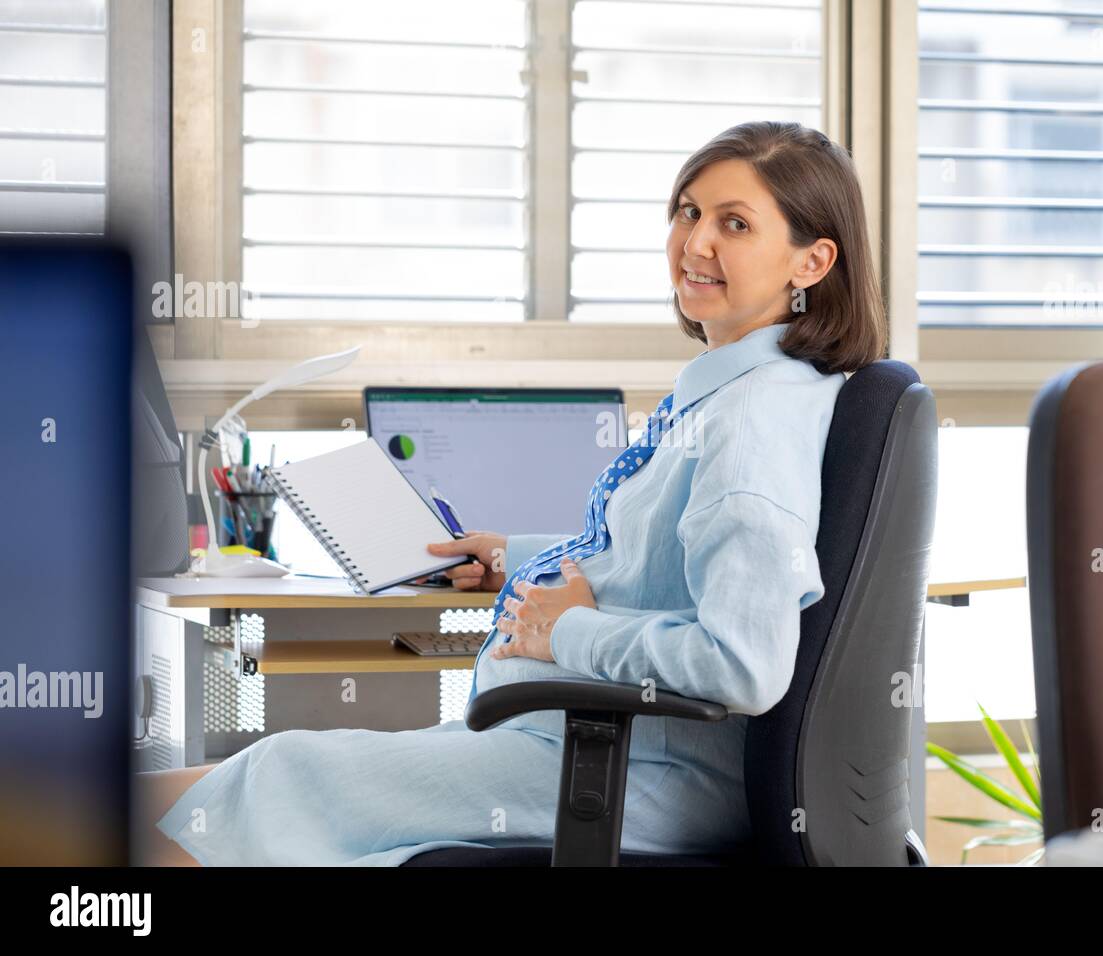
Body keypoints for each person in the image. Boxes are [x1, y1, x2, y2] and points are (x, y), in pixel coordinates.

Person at [138, 120, 887, 866]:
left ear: (812, 261)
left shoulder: (751, 422)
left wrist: (565, 632)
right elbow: (654, 563)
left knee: (276, 779)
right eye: (688, 212)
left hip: (645, 775)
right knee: (230, 786)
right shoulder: (748, 388)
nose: (696, 244)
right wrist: (516, 559)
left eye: (735, 224)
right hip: (596, 747)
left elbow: (742, 665)